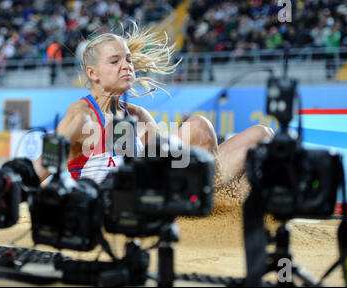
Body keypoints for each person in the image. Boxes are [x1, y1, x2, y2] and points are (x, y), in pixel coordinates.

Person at [33, 23, 274, 188]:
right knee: (199, 127)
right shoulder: (81, 116)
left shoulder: (139, 117)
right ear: (92, 73)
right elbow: (39, 169)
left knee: (262, 134)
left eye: (128, 59)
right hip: (115, 208)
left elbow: (164, 162)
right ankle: (220, 202)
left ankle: (224, 203)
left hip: (156, 192)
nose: (127, 66)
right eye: (115, 61)